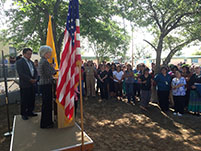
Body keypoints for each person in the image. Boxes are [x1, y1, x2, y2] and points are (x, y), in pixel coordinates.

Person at [16, 48, 38, 120]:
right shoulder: (20, 62)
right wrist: (29, 79)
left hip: (32, 84)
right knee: (24, 99)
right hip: (25, 84)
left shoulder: (31, 62)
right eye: (28, 54)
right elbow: (21, 73)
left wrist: (35, 79)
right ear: (24, 54)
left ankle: (30, 111)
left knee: (32, 99)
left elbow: (35, 71)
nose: (30, 55)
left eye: (31, 54)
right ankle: (24, 113)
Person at [38, 46, 56, 128]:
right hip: (46, 84)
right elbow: (50, 73)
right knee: (47, 104)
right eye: (49, 52)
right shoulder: (44, 62)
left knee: (47, 104)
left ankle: (47, 122)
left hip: (44, 84)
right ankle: (46, 123)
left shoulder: (43, 61)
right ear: (45, 53)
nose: (50, 54)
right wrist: (53, 67)